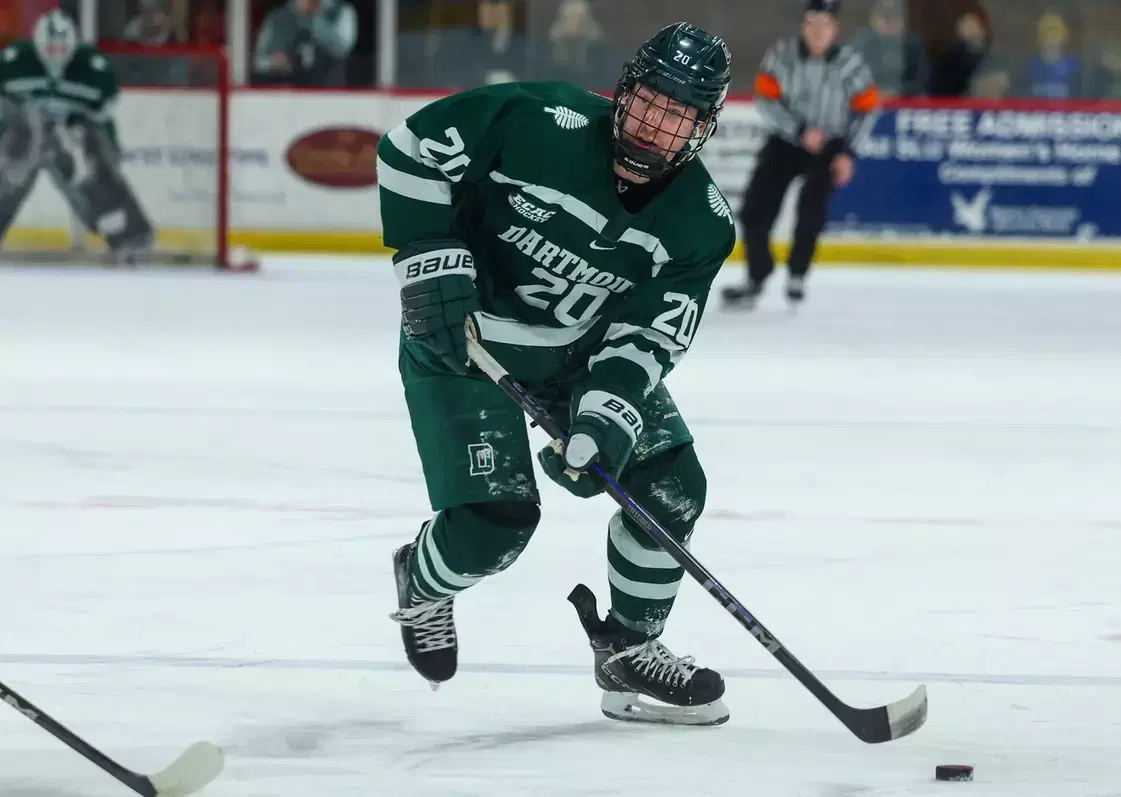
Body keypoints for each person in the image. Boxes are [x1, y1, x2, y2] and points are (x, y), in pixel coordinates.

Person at [376, 23, 736, 726]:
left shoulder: (702, 222)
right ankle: (421, 580)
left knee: (671, 488)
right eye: (650, 103)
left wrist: (603, 420)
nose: (655, 126)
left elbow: (644, 339)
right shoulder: (537, 119)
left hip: (574, 355)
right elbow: (412, 149)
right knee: (494, 525)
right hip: (463, 343)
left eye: (679, 116)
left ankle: (629, 650)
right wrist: (427, 256)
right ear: (625, 91)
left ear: (703, 129)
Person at [721, 0, 879, 310]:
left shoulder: (851, 64)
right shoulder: (782, 55)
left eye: (825, 25)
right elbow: (765, 99)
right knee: (755, 209)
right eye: (812, 24)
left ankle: (797, 274)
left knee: (812, 211)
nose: (818, 32)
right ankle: (757, 274)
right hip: (786, 141)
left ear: (835, 28)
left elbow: (866, 110)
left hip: (829, 147)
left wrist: (848, 152)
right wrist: (799, 129)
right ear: (803, 25)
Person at [0, 9, 155, 259]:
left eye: (62, 50)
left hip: (71, 141)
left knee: (89, 168)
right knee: (9, 171)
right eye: (51, 50)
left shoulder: (93, 69)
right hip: (25, 139)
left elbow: (102, 123)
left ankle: (130, 234)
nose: (56, 57)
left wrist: (108, 156)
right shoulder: (11, 62)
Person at [252, 0, 357, 87]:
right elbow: (259, 62)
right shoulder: (278, 18)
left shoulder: (342, 12)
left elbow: (344, 46)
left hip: (332, 97)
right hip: (289, 99)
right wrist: (273, 62)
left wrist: (314, 16)